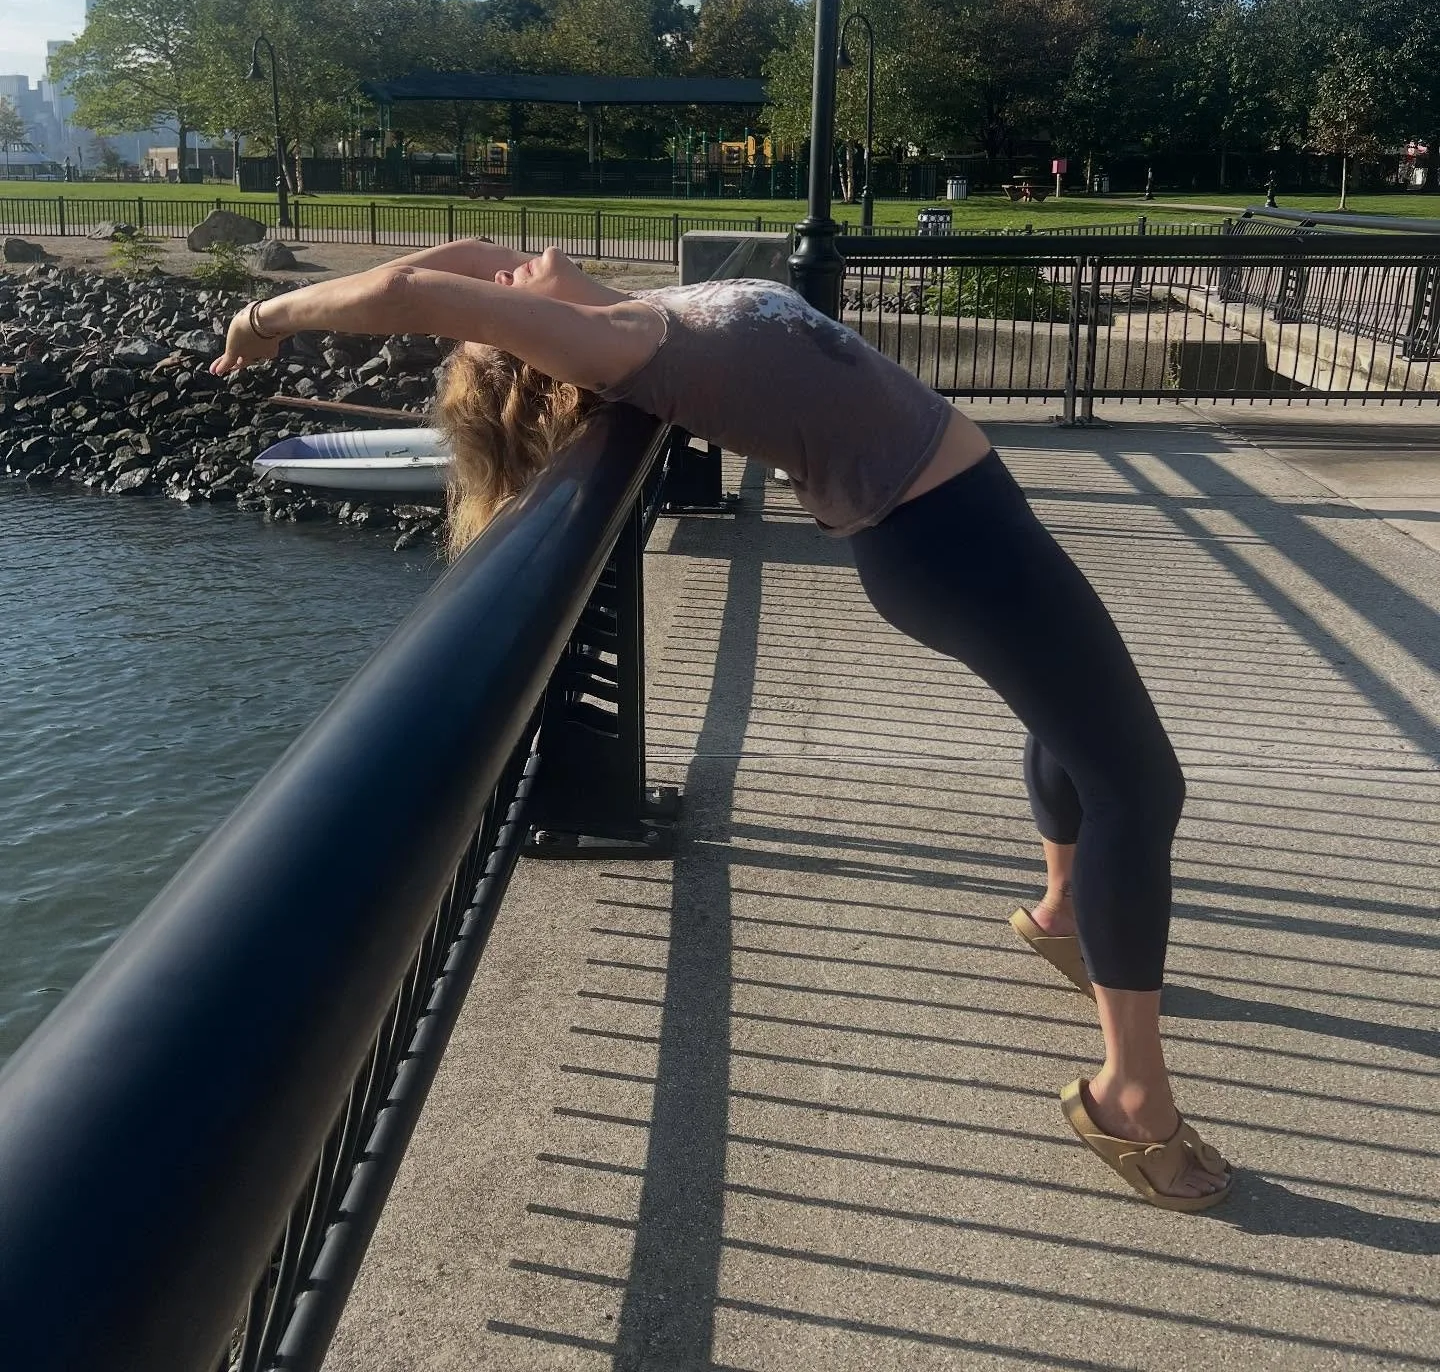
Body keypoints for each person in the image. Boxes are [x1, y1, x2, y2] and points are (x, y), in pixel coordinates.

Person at [212, 239, 1232, 1212]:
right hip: (950, 541)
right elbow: (419, 293)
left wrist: (496, 295)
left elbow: (461, 267)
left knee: (1067, 720)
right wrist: (265, 317)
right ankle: (1129, 1097)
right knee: (1140, 788)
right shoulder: (621, 348)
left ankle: (1065, 910)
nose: (511, 276)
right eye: (505, 312)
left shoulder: (612, 311)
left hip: (962, 525)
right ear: (538, 351)